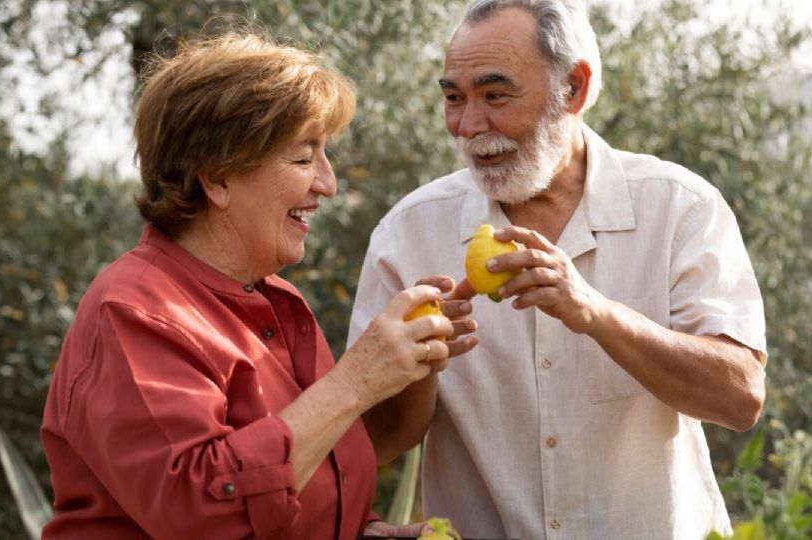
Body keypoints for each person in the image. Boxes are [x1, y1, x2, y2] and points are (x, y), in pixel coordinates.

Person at [348, 1, 768, 538]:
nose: (470, 126)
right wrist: (418, 364)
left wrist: (596, 312)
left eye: (495, 95)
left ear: (575, 88)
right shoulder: (407, 234)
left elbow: (740, 398)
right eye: (454, 98)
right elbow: (375, 445)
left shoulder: (680, 208)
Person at [40, 28, 476, 540]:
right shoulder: (134, 311)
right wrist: (357, 379)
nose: (328, 184)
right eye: (303, 157)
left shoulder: (275, 299)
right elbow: (207, 512)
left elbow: (322, 465)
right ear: (217, 177)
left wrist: (372, 531)